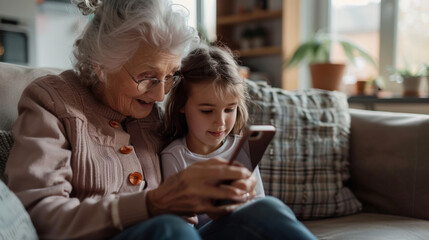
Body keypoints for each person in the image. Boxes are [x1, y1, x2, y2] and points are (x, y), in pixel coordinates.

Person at [5, 0, 317, 239]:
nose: (160, 95)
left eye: (170, 76)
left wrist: (216, 193)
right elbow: (40, 215)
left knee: (264, 210)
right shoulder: (50, 100)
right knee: (169, 229)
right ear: (100, 65)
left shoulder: (147, 110)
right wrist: (152, 204)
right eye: (147, 77)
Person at [161, 45, 266, 228]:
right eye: (207, 111)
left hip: (244, 228)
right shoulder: (174, 156)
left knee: (270, 207)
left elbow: (258, 204)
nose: (221, 122)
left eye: (229, 109)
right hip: (204, 233)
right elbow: (180, 225)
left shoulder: (242, 148)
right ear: (182, 105)